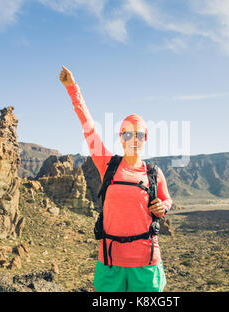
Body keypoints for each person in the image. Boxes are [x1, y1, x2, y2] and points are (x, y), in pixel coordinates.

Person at [59, 66, 173, 292]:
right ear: (121, 137)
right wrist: (72, 88)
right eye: (127, 133)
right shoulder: (107, 164)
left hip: (146, 262)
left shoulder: (153, 173)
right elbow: (88, 127)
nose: (133, 138)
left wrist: (163, 207)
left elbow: (167, 200)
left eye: (139, 134)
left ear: (145, 138)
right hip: (110, 262)